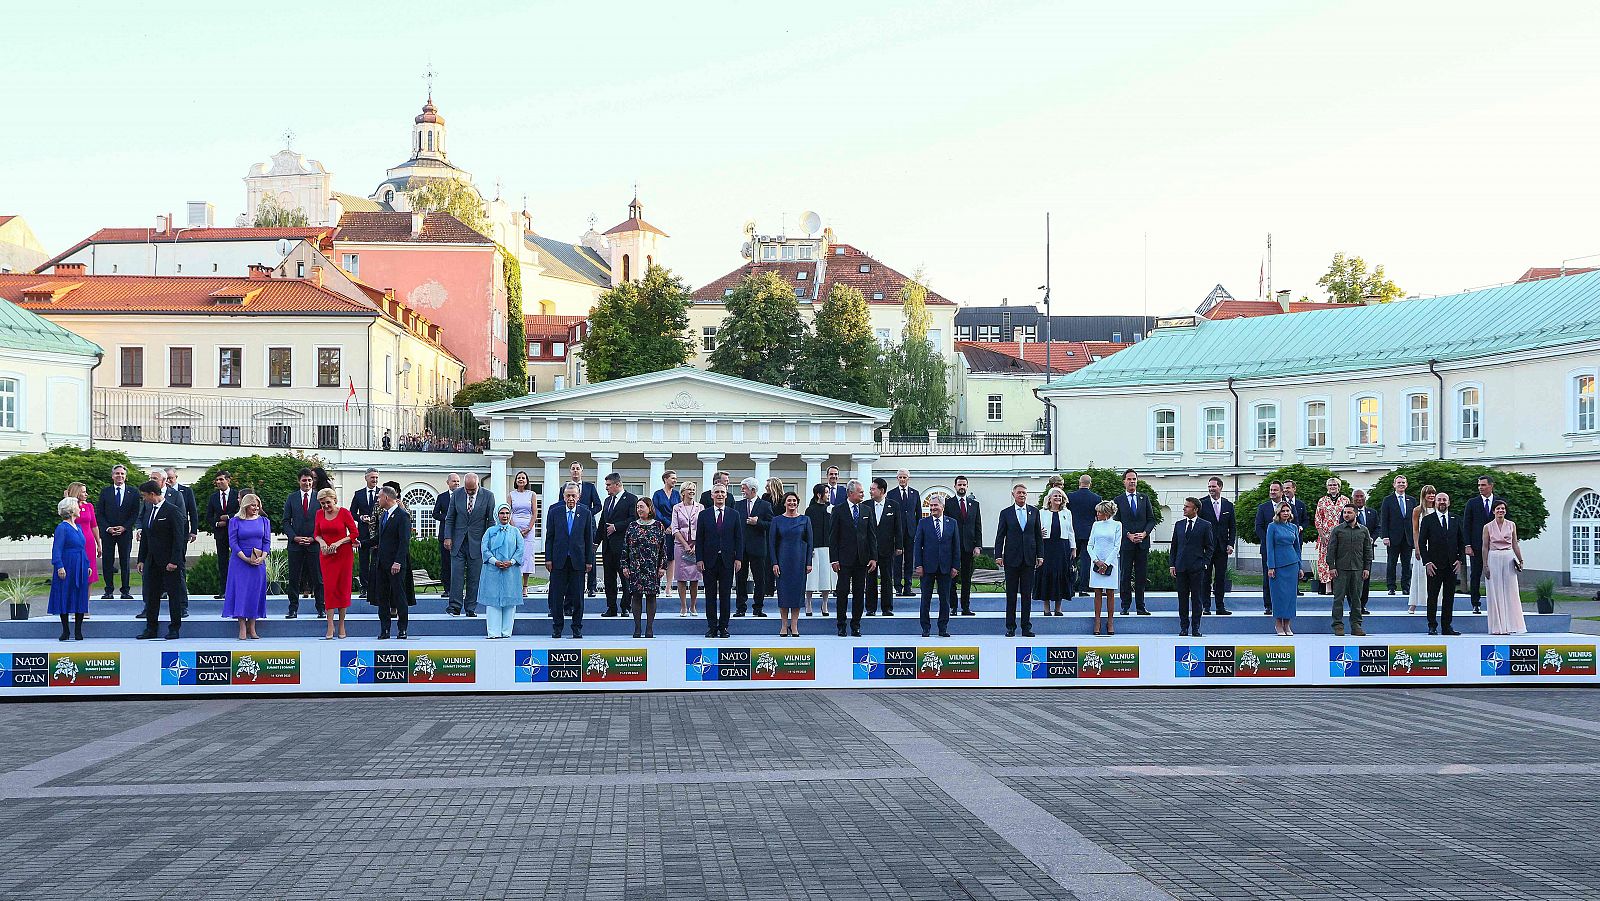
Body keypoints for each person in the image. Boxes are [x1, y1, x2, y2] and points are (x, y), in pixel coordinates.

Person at [135, 479, 187, 640]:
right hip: (152, 561)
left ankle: (174, 628)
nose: (144, 499)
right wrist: (141, 559)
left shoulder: (173, 511)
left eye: (145, 496)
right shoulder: (149, 510)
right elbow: (146, 537)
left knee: (173, 594)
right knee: (151, 595)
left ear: (152, 494)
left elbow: (179, 538)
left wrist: (174, 561)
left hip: (169, 562)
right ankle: (151, 628)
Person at [545, 484, 596, 638]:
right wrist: (548, 558)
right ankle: (557, 627)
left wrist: (589, 560)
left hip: (578, 561)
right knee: (557, 596)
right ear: (563, 496)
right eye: (568, 495)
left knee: (578, 596)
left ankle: (577, 628)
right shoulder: (554, 512)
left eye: (574, 495)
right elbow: (549, 537)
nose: (571, 498)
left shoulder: (586, 513)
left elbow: (589, 539)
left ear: (579, 496)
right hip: (558, 561)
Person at [444, 472, 495, 617]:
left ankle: (470, 608)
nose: (470, 492)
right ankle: (454, 606)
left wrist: (488, 542)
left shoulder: (488, 496)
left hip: (478, 542)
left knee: (474, 577)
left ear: (477, 484)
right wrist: (448, 537)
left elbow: (490, 521)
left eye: (472, 490)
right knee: (456, 575)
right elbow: (450, 518)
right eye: (467, 489)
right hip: (458, 542)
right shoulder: (456, 494)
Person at [830, 479, 877, 637]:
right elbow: (833, 536)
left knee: (859, 593)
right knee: (842, 592)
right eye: (860, 491)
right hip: (843, 559)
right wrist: (834, 559)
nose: (863, 494)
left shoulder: (866, 510)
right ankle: (841, 625)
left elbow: (871, 535)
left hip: (862, 559)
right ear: (850, 493)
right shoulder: (838, 510)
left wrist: (873, 557)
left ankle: (856, 625)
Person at [995, 482, 1041, 638]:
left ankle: (1026, 627)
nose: (1022, 495)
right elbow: (1000, 535)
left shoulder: (1034, 512)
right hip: (1012, 559)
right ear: (1013, 494)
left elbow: (1037, 536)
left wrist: (1040, 555)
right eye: (1019, 493)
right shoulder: (1006, 513)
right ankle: (1010, 627)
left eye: (1024, 493)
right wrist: (998, 555)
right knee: (1011, 594)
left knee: (1027, 594)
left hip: (1029, 558)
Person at [370, 486, 415, 640]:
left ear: (387, 498)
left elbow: (404, 542)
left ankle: (402, 629)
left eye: (379, 497)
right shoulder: (383, 516)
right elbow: (380, 538)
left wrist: (398, 562)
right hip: (382, 564)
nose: (377, 500)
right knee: (382, 597)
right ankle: (385, 629)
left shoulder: (403, 516)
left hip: (395, 565)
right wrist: (361, 543)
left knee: (399, 596)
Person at [1419, 491, 1466, 636]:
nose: (1442, 502)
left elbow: (1461, 542)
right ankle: (1432, 625)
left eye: (1444, 500)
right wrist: (1427, 562)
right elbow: (1421, 543)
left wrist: (1460, 560)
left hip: (1452, 565)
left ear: (1449, 502)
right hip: (1434, 565)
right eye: (1439, 500)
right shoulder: (1428, 520)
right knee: (1432, 596)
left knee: (1449, 597)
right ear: (1435, 502)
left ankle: (1447, 626)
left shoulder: (1456, 519)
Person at [913, 494, 960, 638]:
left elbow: (956, 546)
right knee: (925, 599)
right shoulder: (923, 523)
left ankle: (943, 628)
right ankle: (925, 628)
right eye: (931, 505)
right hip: (927, 567)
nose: (933, 508)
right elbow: (917, 545)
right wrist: (918, 565)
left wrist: (955, 566)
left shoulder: (952, 523)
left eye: (935, 505)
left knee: (944, 599)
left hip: (945, 567)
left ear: (942, 507)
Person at [224, 493, 270, 640]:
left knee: (254, 593)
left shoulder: (264, 521)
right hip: (240, 562)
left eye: (257, 506)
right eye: (253, 505)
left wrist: (262, 557)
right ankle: (242, 627)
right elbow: (233, 542)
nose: (256, 508)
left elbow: (266, 542)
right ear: (245, 506)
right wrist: (244, 558)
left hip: (258, 562)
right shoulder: (235, 521)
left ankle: (253, 627)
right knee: (241, 593)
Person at [622, 498, 671, 638]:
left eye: (642, 507)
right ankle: (637, 629)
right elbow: (625, 547)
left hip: (652, 567)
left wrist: (662, 567)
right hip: (636, 567)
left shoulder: (658, 526)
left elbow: (663, 548)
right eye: (637, 507)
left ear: (649, 508)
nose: (639, 509)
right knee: (636, 596)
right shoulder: (632, 526)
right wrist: (625, 565)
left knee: (651, 597)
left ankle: (649, 629)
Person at [314, 488, 358, 640]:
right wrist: (321, 542)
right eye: (322, 503)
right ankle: (330, 625)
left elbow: (354, 533)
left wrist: (339, 542)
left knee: (342, 588)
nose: (325, 506)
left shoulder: (344, 512)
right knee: (329, 588)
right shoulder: (319, 514)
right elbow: (316, 534)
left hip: (343, 555)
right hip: (326, 555)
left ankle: (341, 624)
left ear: (334, 500)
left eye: (327, 502)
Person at [769, 491, 814, 638]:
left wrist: (808, 563)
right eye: (789, 501)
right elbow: (772, 544)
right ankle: (783, 625)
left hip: (799, 561)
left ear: (798, 503)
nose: (792, 503)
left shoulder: (805, 519)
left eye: (794, 501)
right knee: (784, 594)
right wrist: (774, 562)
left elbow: (810, 543)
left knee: (797, 594)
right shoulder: (776, 520)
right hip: (782, 560)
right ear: (784, 503)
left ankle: (794, 625)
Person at [282, 469, 325, 619]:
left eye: (310, 480)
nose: (307, 483)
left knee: (318, 578)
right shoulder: (291, 498)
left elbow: (324, 522)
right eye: (304, 480)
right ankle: (293, 609)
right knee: (294, 578)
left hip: (314, 545)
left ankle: (321, 608)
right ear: (299, 481)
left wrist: (314, 537)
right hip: (296, 545)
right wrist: (294, 537)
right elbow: (286, 521)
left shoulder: (319, 498)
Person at [1169, 497, 1214, 638]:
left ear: (1195, 509)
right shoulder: (1179, 525)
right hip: (1181, 567)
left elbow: (1210, 547)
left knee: (1197, 599)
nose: (1184, 509)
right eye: (1184, 506)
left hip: (1197, 568)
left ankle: (1196, 628)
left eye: (1187, 507)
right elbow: (1174, 546)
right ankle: (1183, 627)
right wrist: (1172, 564)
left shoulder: (1205, 525)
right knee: (1182, 599)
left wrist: (1204, 563)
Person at [1326, 503, 1374, 637]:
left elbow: (1367, 550)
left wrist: (1366, 568)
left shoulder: (1363, 530)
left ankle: (1356, 625)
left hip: (1358, 570)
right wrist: (1332, 567)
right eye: (1344, 513)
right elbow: (1331, 550)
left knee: (1356, 599)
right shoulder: (1338, 530)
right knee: (1338, 598)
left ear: (1356, 514)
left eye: (1349, 512)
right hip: (1341, 570)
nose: (1346, 515)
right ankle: (1338, 625)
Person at [49, 497, 91, 642]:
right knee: (65, 594)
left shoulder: (78, 527)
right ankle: (66, 631)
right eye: (77, 507)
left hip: (80, 564)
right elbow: (57, 548)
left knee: (80, 594)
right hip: (67, 564)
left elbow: (82, 547)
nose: (80, 509)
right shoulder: (62, 527)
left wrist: (87, 565)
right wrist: (59, 565)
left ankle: (78, 631)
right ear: (71, 510)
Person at [96, 464, 140, 600]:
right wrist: (108, 528)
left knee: (125, 561)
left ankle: (125, 590)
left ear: (126, 477)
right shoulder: (105, 492)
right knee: (107, 561)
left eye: (122, 474)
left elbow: (135, 513)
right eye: (117, 473)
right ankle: (108, 590)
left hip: (125, 533)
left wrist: (125, 527)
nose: (119, 476)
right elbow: (100, 513)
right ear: (112, 476)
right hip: (108, 533)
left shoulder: (133, 492)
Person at [1483, 500, 1527, 635]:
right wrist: (1485, 564)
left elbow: (1515, 543)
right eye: (1498, 509)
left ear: (1505, 511)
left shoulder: (1511, 525)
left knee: (1510, 590)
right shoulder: (1487, 527)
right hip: (1493, 557)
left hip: (1508, 557)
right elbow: (1485, 546)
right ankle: (1497, 627)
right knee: (1495, 591)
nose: (1500, 511)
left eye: (1502, 509)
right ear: (1493, 511)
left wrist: (1520, 560)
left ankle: (1511, 625)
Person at [598, 473, 639, 617]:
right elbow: (602, 522)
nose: (606, 488)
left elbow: (633, 519)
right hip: (608, 546)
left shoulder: (631, 499)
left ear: (617, 484)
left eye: (608, 485)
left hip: (623, 546)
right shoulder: (607, 501)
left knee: (625, 577)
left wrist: (617, 526)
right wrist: (596, 542)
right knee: (609, 579)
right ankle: (611, 607)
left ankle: (625, 606)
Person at [480, 505, 524, 639]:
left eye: (507, 513)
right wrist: (494, 561)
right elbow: (484, 547)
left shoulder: (515, 532)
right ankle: (493, 632)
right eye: (501, 513)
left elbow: (520, 549)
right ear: (496, 515)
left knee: (510, 602)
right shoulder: (490, 531)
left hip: (511, 571)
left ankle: (506, 632)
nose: (504, 516)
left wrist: (511, 562)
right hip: (493, 570)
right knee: (493, 602)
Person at [1464, 474, 1506, 615]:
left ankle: (1497, 603)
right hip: (1476, 546)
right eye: (1479, 485)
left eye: (1483, 485)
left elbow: (1506, 523)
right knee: (1475, 574)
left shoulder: (1500, 502)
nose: (1480, 488)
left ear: (1491, 485)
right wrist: (1467, 544)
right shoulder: (1472, 503)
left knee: (1495, 575)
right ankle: (1475, 603)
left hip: (1495, 547)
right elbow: (1467, 525)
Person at [1114, 469, 1153, 616]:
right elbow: (1116, 522)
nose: (1132, 482)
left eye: (1134, 479)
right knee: (1125, 574)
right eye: (1129, 479)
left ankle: (1140, 606)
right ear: (1124, 481)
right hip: (1126, 543)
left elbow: (1151, 519)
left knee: (1141, 575)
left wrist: (1144, 533)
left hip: (1142, 543)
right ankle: (1125, 606)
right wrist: (1128, 535)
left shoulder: (1144, 498)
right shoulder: (1118, 500)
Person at [734, 478, 773, 618]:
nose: (742, 491)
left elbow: (771, 524)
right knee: (740, 579)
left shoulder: (765, 505)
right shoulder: (737, 505)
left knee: (759, 579)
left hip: (758, 547)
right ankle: (740, 608)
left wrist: (758, 522)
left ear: (753, 490)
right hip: (741, 548)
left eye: (744, 488)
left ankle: (758, 608)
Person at [1196, 476, 1235, 615]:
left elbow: (1232, 526)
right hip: (1206, 548)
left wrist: (1231, 544)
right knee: (1205, 578)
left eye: (1214, 486)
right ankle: (1206, 606)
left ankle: (1220, 606)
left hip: (1222, 548)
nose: (1211, 489)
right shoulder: (1201, 504)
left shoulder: (1228, 505)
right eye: (1209, 487)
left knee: (1220, 577)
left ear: (1220, 487)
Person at [1037, 487, 1076, 616]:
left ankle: (1058, 608)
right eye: (1055, 496)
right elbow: (1035, 528)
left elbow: (1070, 531)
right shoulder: (1042, 512)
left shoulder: (1067, 513)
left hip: (1062, 547)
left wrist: (1073, 548)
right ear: (1049, 499)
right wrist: (1038, 534)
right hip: (1046, 547)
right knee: (1046, 574)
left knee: (1061, 574)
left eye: (1060, 496)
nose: (1058, 498)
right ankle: (1046, 608)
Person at [1264, 503, 1302, 636]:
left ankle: (1287, 624)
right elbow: (1270, 547)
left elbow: (1297, 547)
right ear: (1278, 512)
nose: (1285, 513)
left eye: (1288, 510)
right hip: (1278, 565)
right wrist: (1271, 566)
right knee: (1279, 595)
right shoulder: (1272, 527)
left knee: (1291, 596)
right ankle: (1279, 624)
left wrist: (1300, 566)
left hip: (1292, 564)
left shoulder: (1293, 527)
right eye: (1283, 511)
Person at [865, 477, 900, 616]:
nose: (871, 491)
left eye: (873, 489)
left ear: (882, 490)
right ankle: (870, 608)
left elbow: (898, 527)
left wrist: (899, 545)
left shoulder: (894, 505)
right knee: (870, 579)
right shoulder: (866, 505)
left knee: (887, 578)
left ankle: (887, 608)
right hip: (870, 550)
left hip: (887, 548)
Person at [566, 462, 602, 596]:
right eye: (573, 469)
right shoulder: (566, 487)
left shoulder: (590, 487)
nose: (575, 471)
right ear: (570, 471)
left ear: (582, 471)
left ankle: (592, 586)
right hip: (570, 525)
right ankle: (573, 587)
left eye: (577, 469)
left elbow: (598, 505)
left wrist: (586, 514)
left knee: (590, 555)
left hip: (588, 526)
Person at [1086, 501, 1121, 635]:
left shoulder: (1117, 525)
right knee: (1097, 592)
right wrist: (1096, 561)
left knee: (1111, 593)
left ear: (1106, 513)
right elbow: (1090, 545)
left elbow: (1117, 546)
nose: (1097, 514)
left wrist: (1106, 563)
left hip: (1111, 562)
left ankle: (1110, 621)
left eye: (1099, 512)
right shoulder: (1096, 525)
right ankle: (1097, 621)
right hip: (1096, 562)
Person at [950, 476, 983, 614]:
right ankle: (953, 607)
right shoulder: (948, 503)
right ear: (955, 486)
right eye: (959, 484)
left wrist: (978, 546)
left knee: (966, 579)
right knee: (952, 578)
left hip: (969, 547)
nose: (962, 487)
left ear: (967, 486)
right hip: (953, 547)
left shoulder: (974, 505)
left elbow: (977, 526)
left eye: (964, 484)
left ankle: (965, 607)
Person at [672, 482, 704, 617]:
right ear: (683, 492)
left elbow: (703, 527)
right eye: (689, 489)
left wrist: (696, 545)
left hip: (697, 544)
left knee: (695, 577)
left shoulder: (700, 507)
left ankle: (693, 606)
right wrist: (685, 545)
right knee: (681, 577)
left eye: (693, 489)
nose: (692, 492)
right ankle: (683, 606)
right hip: (680, 544)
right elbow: (675, 528)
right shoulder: (677, 508)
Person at [1253, 481, 1285, 614]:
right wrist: (1268, 540)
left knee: (1283, 577)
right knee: (1268, 576)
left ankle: (1282, 604)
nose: (1272, 492)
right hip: (1267, 548)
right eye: (1271, 490)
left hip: (1284, 549)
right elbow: (1258, 527)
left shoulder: (1288, 507)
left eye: (1275, 490)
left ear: (1281, 492)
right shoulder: (1263, 507)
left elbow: (1294, 526)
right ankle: (1268, 605)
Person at [1312, 478, 1348, 594]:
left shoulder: (1345, 500)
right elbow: (1318, 518)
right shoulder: (1322, 501)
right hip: (1326, 535)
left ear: (1339, 486)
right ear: (1327, 487)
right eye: (1330, 485)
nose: (1333, 487)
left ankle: (1340, 586)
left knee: (1341, 559)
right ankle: (1328, 587)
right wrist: (1322, 535)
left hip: (1342, 534)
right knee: (1326, 560)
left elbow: (1349, 516)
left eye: (1335, 485)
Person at [1379, 475, 1414, 595]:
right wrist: (1385, 536)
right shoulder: (1388, 500)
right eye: (1399, 482)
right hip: (1393, 538)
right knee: (1391, 563)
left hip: (1408, 538)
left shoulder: (1412, 500)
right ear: (1394, 485)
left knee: (1406, 564)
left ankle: (1406, 587)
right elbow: (1384, 519)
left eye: (1403, 482)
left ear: (1406, 484)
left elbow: (1414, 520)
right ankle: (1391, 587)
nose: (1401, 484)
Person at [348, 468, 381, 596]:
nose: (375, 480)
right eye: (372, 477)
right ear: (366, 478)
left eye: (376, 478)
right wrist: (361, 518)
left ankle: (376, 586)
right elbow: (351, 513)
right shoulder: (359, 494)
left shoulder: (381, 493)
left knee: (377, 559)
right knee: (363, 560)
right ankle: (364, 587)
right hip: (362, 532)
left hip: (377, 532)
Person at [64, 483, 99, 600]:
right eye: (83, 492)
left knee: (89, 575)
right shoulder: (69, 508)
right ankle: (74, 605)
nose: (86, 494)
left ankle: (85, 606)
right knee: (75, 573)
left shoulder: (89, 506)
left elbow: (94, 525)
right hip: (75, 542)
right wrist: (67, 500)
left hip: (89, 543)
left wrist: (98, 544)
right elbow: (66, 520)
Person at [507, 471, 540, 598]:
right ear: (516, 481)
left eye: (523, 478)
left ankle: (525, 587)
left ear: (527, 481)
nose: (521, 480)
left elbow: (535, 512)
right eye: (519, 478)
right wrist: (514, 528)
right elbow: (508, 512)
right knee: (514, 556)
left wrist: (529, 528)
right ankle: (514, 586)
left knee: (527, 556)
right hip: (514, 526)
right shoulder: (511, 495)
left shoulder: (532, 494)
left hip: (528, 527)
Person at [206, 471, 240, 591]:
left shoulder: (237, 495)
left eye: (221, 479)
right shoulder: (213, 497)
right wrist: (216, 523)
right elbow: (208, 516)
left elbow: (241, 511)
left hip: (236, 533)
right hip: (221, 534)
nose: (219, 482)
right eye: (217, 480)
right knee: (222, 562)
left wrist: (229, 517)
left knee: (238, 559)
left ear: (228, 480)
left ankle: (238, 588)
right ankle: (224, 590)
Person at [889, 470, 921, 597]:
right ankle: (897, 586)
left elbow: (918, 514)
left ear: (909, 478)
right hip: (897, 532)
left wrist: (918, 531)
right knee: (897, 560)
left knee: (909, 560)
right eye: (900, 477)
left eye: (904, 477)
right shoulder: (891, 494)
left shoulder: (915, 493)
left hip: (911, 532)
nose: (902, 480)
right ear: (897, 478)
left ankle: (908, 586)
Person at [1066, 475, 1100, 598]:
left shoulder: (1070, 497)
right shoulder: (1096, 498)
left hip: (1073, 533)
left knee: (1070, 561)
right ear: (1090, 484)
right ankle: (1083, 589)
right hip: (1089, 534)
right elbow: (1098, 516)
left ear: (1079, 483)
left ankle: (1069, 588)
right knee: (1086, 562)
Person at [1407, 485, 1438, 615]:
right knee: (1419, 574)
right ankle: (1413, 604)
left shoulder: (1439, 509)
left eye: (1433, 494)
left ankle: (1436, 602)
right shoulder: (1418, 510)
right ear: (1424, 495)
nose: (1431, 496)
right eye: (1428, 494)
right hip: (1422, 545)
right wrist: (1417, 547)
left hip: (1436, 546)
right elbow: (1415, 530)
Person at [804, 484, 834, 616]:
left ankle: (825, 603)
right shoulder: (810, 510)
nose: (828, 495)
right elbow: (807, 530)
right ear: (819, 494)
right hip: (814, 547)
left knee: (826, 577)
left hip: (828, 546)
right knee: (811, 577)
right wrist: (809, 547)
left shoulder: (831, 509)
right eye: (826, 492)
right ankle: (808, 603)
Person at [652, 470, 681, 589]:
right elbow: (655, 510)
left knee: (671, 557)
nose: (675, 480)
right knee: (659, 555)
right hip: (661, 528)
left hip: (673, 529)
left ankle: (669, 586)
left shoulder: (676, 494)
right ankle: (657, 584)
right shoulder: (658, 494)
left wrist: (673, 525)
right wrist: (667, 523)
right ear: (665, 479)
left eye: (675, 478)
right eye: (673, 478)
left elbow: (680, 509)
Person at [1350, 489, 1378, 615]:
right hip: (1352, 553)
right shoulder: (1348, 512)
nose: (1359, 499)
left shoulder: (1372, 512)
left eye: (1361, 496)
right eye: (1356, 497)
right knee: (1352, 581)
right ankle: (1353, 606)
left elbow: (1378, 528)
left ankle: (1362, 605)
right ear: (1353, 498)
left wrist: (1372, 538)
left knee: (1365, 580)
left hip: (1367, 552)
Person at [432, 473, 460, 596]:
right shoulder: (442, 497)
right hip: (444, 535)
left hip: (459, 535)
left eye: (458, 481)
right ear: (448, 482)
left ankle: (457, 589)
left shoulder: (463, 496)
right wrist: (448, 518)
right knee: (446, 564)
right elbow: (435, 514)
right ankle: (447, 589)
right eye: (454, 481)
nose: (457, 483)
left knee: (458, 564)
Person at [163, 467, 199, 547]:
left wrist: (193, 531)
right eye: (166, 479)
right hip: (164, 531)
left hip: (182, 529)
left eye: (171, 478)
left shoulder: (186, 491)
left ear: (176, 477)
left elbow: (193, 511)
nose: (168, 481)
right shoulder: (160, 492)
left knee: (180, 556)